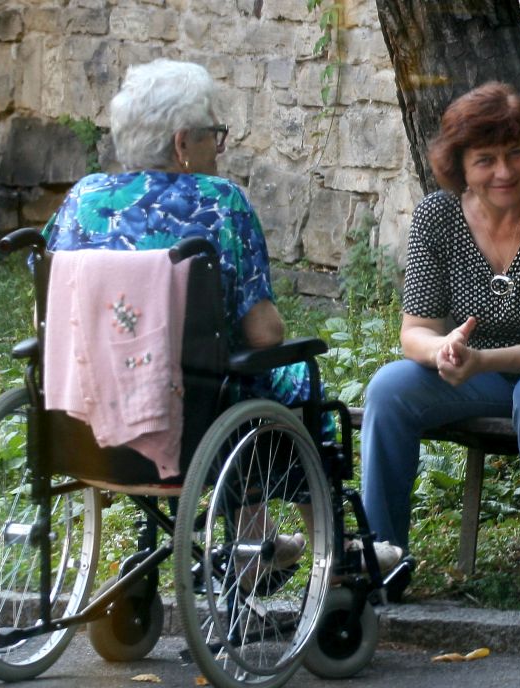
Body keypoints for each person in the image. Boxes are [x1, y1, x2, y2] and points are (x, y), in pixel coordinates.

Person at [40, 59, 346, 573]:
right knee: (289, 380)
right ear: (183, 144)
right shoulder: (219, 203)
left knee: (230, 380)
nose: (218, 149)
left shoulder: (82, 200)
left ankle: (256, 537)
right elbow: (264, 332)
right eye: (214, 136)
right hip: (189, 415)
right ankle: (332, 554)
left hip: (87, 412)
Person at [359, 82, 520, 614]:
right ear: (459, 165)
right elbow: (414, 330)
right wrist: (442, 349)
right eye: (485, 159)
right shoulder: (436, 217)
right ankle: (381, 561)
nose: (504, 171)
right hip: (475, 370)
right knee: (388, 389)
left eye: (516, 153)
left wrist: (482, 361)